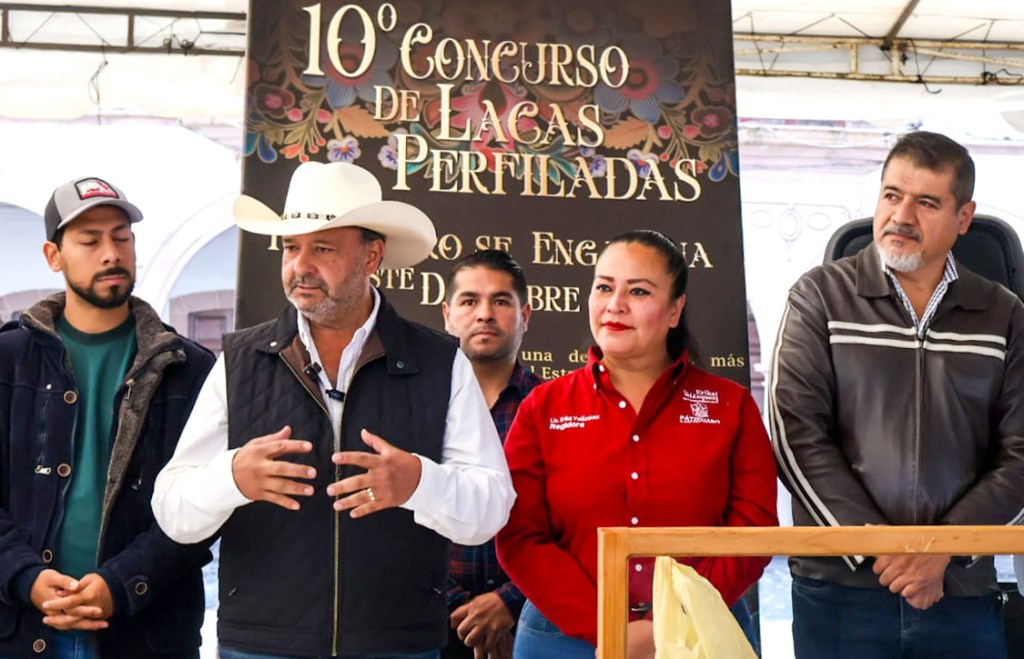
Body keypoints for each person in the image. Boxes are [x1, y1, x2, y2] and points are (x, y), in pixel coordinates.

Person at [152, 161, 515, 659]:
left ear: (372, 256)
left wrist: (418, 483)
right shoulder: (238, 361)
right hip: (260, 646)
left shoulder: (440, 362)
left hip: (397, 645)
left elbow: (492, 507)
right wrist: (231, 478)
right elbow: (171, 511)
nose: (300, 266)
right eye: (290, 247)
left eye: (322, 248)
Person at [769, 130, 1024, 658]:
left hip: (959, 592)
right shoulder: (820, 297)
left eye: (926, 202)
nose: (900, 216)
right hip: (840, 592)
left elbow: (1021, 454)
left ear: (964, 218)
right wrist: (880, 550)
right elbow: (797, 437)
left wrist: (941, 551)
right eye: (891, 195)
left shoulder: (1004, 315)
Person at [496, 230, 778, 659]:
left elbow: (753, 527)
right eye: (604, 287)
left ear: (675, 310)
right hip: (567, 635)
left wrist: (676, 617)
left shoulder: (730, 406)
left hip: (702, 627)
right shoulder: (543, 407)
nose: (615, 304)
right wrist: (605, 626)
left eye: (639, 291)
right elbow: (520, 535)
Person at [0, 177, 215, 658]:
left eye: (122, 237)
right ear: (53, 256)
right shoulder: (10, 360)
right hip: (22, 629)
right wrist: (26, 576)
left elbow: (204, 507)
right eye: (89, 240)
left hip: (146, 632)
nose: (111, 254)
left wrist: (122, 583)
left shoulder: (189, 368)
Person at [440, 250, 542, 659]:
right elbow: (396, 513)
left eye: (501, 301)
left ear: (525, 315)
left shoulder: (555, 409)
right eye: (469, 301)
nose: (485, 314)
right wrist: (458, 607)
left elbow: (575, 521)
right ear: (447, 314)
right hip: (429, 624)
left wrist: (508, 602)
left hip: (534, 623)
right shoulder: (417, 405)